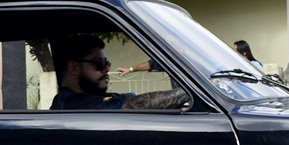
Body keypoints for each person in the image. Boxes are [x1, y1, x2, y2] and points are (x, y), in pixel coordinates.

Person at [48, 34, 190, 110]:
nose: (106, 68)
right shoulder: (71, 105)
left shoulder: (92, 98)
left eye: (107, 62)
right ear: (73, 67)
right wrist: (190, 91)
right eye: (99, 63)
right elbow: (132, 105)